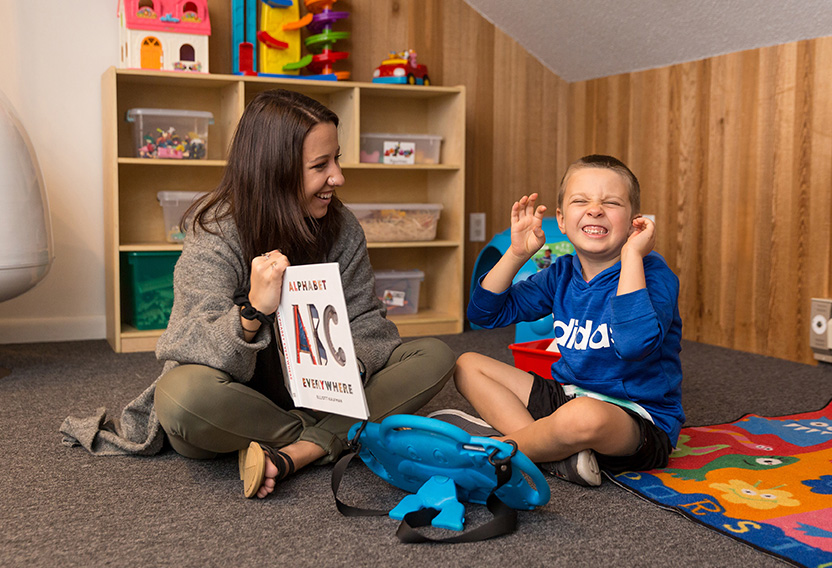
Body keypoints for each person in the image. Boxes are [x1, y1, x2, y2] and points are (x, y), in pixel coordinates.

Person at [60, 89, 456, 499]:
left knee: (435, 355)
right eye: (321, 165)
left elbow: (368, 321)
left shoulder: (343, 228)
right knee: (180, 398)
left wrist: (350, 367)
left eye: (336, 159)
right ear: (275, 172)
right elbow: (187, 340)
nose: (338, 176)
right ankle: (327, 439)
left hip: (325, 399)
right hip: (239, 403)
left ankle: (294, 451)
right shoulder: (215, 229)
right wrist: (253, 311)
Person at [446, 154, 683, 487]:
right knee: (467, 364)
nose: (595, 209)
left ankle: (498, 452)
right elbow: (485, 314)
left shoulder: (655, 275)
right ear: (560, 219)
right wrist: (516, 254)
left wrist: (632, 255)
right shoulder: (560, 273)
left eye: (611, 202)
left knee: (584, 415)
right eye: (581, 200)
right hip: (568, 396)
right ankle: (550, 450)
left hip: (637, 419)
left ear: (634, 223)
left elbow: (633, 346)